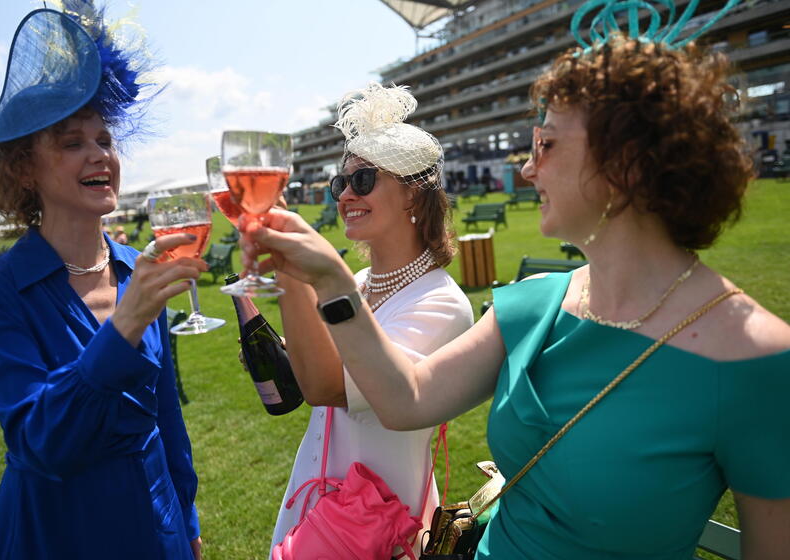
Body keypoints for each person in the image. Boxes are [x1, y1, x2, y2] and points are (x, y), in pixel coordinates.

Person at [244, 2, 790, 558]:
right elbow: (403, 400)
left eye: (545, 145)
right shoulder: (533, 304)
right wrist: (331, 283)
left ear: (625, 164)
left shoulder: (758, 359)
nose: (527, 169)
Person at [0, 4, 203, 559]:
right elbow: (41, 442)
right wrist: (125, 325)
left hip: (155, 527)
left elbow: (165, 416)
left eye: (105, 139)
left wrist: (186, 519)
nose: (101, 154)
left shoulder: (137, 267)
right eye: (72, 143)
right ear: (23, 169)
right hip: (58, 532)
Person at [269, 83, 473, 557]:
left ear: (414, 196)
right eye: (342, 183)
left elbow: (326, 386)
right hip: (313, 501)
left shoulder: (441, 306)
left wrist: (293, 271)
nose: (345, 196)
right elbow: (312, 374)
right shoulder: (359, 282)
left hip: (378, 523)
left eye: (363, 181)